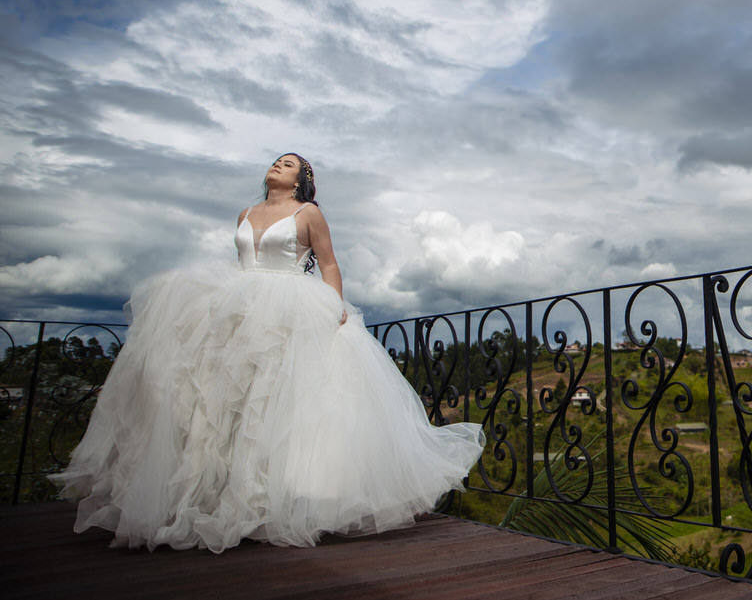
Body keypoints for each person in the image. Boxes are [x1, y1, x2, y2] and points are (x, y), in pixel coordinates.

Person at [52, 153, 485, 552]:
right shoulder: (246, 213)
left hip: (290, 306)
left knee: (277, 403)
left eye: (289, 163)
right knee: (224, 403)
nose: (279, 165)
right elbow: (243, 263)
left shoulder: (308, 213)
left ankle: (268, 501)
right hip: (240, 308)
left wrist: (334, 307)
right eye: (277, 160)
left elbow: (328, 263)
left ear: (302, 180)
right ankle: (219, 494)